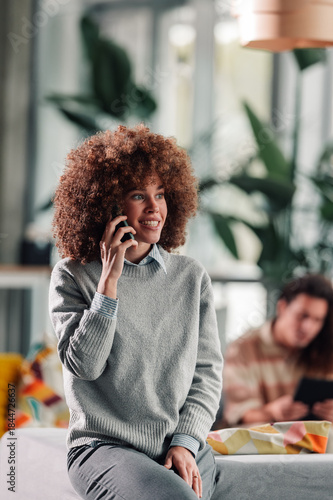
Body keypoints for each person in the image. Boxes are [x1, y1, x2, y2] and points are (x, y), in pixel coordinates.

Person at [49, 124, 223, 500]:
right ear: (108, 203)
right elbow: (85, 366)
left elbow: (206, 374)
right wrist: (110, 280)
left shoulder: (191, 277)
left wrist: (187, 442)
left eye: (160, 194)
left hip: (175, 448)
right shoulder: (73, 274)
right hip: (103, 450)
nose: (154, 208)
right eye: (138, 195)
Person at [223, 274, 333, 426]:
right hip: (263, 446)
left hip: (317, 446)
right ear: (282, 307)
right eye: (302, 316)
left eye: (317, 320)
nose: (307, 327)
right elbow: (238, 416)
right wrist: (271, 413)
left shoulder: (326, 348)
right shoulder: (243, 348)